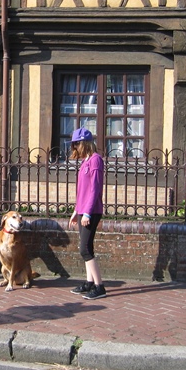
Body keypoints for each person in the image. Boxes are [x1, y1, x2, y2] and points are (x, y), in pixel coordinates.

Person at [68, 128, 107, 300]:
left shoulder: (96, 161)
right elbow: (82, 191)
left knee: (84, 249)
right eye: (73, 144)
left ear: (85, 143)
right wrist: (77, 210)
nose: (75, 147)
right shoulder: (86, 161)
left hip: (91, 211)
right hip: (83, 210)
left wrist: (88, 213)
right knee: (87, 248)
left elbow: (94, 189)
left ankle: (99, 286)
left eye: (77, 143)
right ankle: (89, 282)